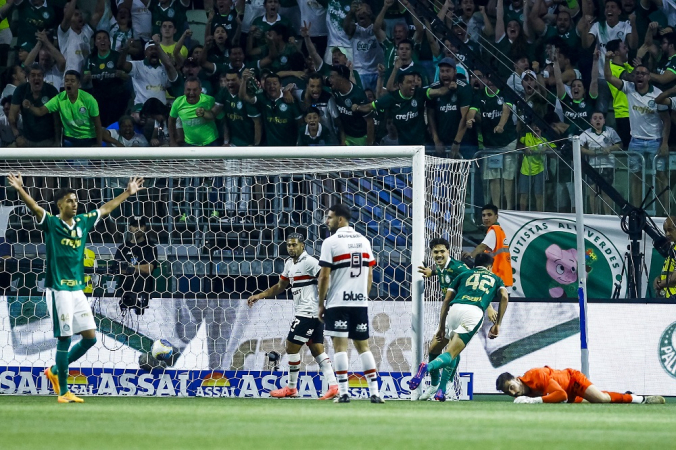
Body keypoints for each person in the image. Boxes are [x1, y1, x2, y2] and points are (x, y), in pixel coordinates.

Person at [6, 173, 144, 403]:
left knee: (90, 338)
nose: (75, 203)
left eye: (76, 200)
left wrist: (128, 192)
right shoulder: (51, 223)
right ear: (60, 205)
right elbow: (35, 207)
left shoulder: (83, 222)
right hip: (59, 289)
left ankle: (54, 370)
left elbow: (106, 208)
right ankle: (63, 392)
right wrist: (21, 189)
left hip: (77, 290)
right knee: (65, 338)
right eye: (70, 200)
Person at [247, 233, 339, 400]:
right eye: (289, 245)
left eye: (294, 245)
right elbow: (280, 286)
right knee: (317, 348)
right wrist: (260, 295)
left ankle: (291, 388)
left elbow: (326, 277)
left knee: (291, 346)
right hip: (311, 313)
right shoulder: (289, 263)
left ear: (302, 246)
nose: (291, 248)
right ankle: (333, 385)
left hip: (308, 312)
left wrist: (324, 298)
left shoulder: (310, 262)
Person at [409, 254, 509, 394]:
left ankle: (440, 389)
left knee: (437, 349)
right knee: (452, 353)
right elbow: (504, 296)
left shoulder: (463, 275)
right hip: (473, 312)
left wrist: (442, 326)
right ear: (490, 267)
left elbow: (446, 301)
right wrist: (498, 324)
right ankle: (427, 368)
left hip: (454, 309)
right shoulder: (496, 278)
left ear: (475, 265)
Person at [317, 203, 383, 403]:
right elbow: (370, 273)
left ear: (340, 219)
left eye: (329, 217)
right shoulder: (364, 240)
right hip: (359, 303)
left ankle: (344, 392)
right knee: (364, 347)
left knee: (340, 348)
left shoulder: (331, 242)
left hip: (338, 302)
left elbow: (324, 276)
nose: (326, 221)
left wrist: (321, 303)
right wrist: (363, 296)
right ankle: (375, 393)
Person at [605, 52, 670, 211]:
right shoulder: (629, 88)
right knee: (636, 177)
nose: (639, 76)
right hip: (636, 141)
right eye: (637, 73)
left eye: (643, 73)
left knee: (661, 176)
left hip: (655, 141)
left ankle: (666, 211)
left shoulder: (657, 95)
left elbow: (666, 121)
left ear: (649, 77)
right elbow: (608, 77)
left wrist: (665, 143)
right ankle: (636, 210)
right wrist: (606, 60)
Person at [416, 237, 479, 401]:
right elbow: (441, 270)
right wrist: (432, 272)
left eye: (442, 251)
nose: (439, 255)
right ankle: (435, 386)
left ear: (448, 251)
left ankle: (448, 388)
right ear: (431, 253)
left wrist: (490, 307)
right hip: (450, 313)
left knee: (452, 350)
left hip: (464, 312)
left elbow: (476, 281)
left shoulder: (458, 267)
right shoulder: (440, 266)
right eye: (435, 252)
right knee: (433, 350)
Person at [352, 72, 449, 146]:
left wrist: (450, 85)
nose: (413, 85)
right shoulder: (391, 98)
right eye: (409, 82)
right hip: (402, 144)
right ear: (400, 85)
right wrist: (357, 107)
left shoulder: (420, 93)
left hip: (421, 143)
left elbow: (440, 91)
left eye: (413, 82)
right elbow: (370, 106)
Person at [497, 366, 665, 404]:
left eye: (511, 387)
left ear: (517, 379)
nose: (512, 392)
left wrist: (534, 401)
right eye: (508, 392)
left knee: (602, 400)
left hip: (572, 381)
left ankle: (639, 399)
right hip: (566, 394)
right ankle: (625, 394)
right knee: (593, 400)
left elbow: (561, 395)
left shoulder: (535, 375)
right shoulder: (524, 392)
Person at [23, 70, 103, 147]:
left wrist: (99, 144)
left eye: (72, 81)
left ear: (78, 84)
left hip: (88, 138)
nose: (69, 83)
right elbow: (40, 111)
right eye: (67, 81)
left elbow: (97, 124)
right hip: (69, 139)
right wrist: (29, 107)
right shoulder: (59, 98)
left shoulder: (89, 99)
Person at [579, 112, 623, 215]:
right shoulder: (586, 133)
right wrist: (590, 152)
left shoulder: (610, 131)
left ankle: (608, 216)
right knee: (593, 190)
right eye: (595, 118)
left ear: (604, 121)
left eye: (600, 118)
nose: (597, 120)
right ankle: (595, 215)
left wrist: (610, 148)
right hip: (593, 165)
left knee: (606, 191)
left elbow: (619, 145)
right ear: (591, 121)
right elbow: (578, 146)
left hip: (607, 165)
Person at [462, 204, 514, 289]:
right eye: (483, 215)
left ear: (496, 216)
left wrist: (471, 255)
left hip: (497, 279)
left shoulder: (494, 230)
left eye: (489, 215)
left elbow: (482, 246)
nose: (486, 218)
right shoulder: (499, 231)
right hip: (503, 279)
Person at [114, 216, 158, 315]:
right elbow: (118, 269)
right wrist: (138, 268)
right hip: (124, 293)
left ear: (145, 228)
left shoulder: (150, 247)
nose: (138, 228)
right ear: (130, 228)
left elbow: (148, 269)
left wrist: (129, 267)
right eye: (135, 226)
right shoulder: (122, 248)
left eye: (141, 226)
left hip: (144, 293)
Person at [9, 63, 60, 147]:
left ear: (43, 77)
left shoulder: (51, 91)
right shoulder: (21, 90)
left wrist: (57, 141)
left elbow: (56, 119)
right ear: (28, 77)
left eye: (39, 75)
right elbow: (12, 117)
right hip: (27, 140)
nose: (36, 78)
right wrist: (17, 136)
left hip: (48, 141)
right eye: (33, 75)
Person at [169, 76, 219, 147]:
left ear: (200, 90)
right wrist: (172, 141)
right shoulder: (178, 102)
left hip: (210, 142)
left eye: (195, 90)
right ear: (184, 90)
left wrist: (226, 141)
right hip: (189, 144)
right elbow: (171, 121)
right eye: (188, 90)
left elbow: (222, 118)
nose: (191, 93)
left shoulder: (209, 100)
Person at [653, 216, 676, 297]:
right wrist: (659, 278)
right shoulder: (672, 248)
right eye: (665, 231)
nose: (667, 234)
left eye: (670, 230)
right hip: (669, 297)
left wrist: (661, 283)